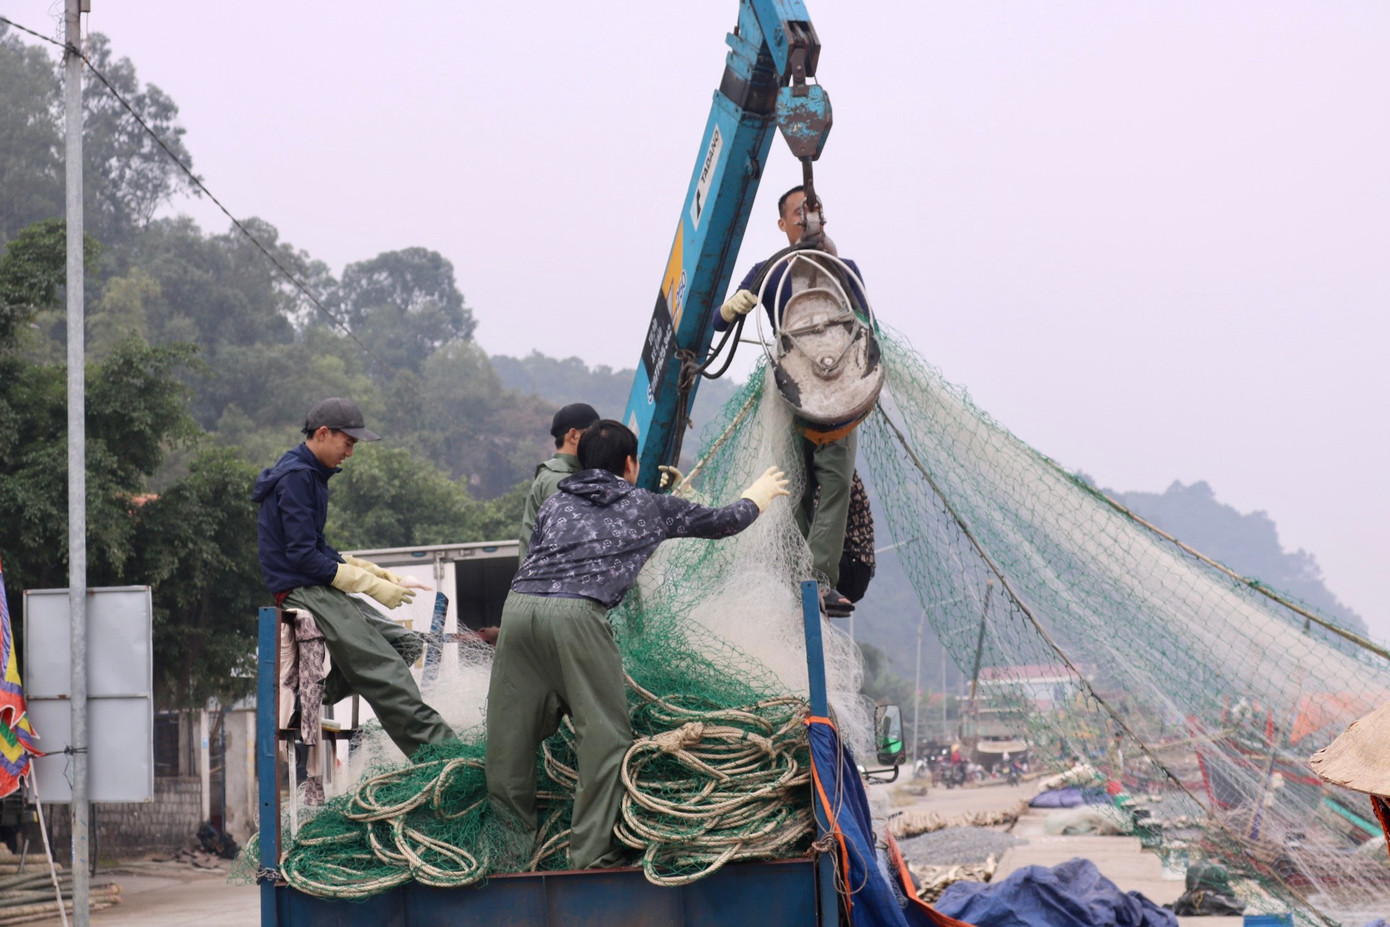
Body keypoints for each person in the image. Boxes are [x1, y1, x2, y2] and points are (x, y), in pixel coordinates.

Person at [485, 419, 789, 868]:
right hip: (578, 615)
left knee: (510, 738)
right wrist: (756, 497)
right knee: (604, 739)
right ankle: (588, 858)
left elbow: (537, 556)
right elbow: (724, 522)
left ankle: (509, 858)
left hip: (518, 609)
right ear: (630, 464)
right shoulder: (646, 504)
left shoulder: (554, 502)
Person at [254, 397, 455, 759]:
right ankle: (442, 753)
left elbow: (316, 547)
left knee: (404, 645)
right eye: (347, 443)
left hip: (316, 585)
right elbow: (302, 557)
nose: (350, 453)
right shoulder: (298, 477)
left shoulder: (312, 474)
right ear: (323, 433)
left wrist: (380, 574)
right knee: (384, 668)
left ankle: (312, 697)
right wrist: (371, 586)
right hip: (301, 590)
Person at [714, 184, 865, 617]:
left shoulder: (844, 269)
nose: (807, 216)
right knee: (792, 485)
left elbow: (865, 324)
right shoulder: (769, 271)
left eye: (813, 209)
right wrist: (730, 309)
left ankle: (818, 580)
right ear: (782, 223)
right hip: (791, 392)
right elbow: (717, 326)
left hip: (838, 392)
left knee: (834, 484)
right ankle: (795, 578)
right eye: (798, 211)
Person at [518, 402, 601, 562]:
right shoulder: (558, 480)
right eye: (593, 435)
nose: (598, 442)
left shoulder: (572, 474)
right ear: (573, 436)